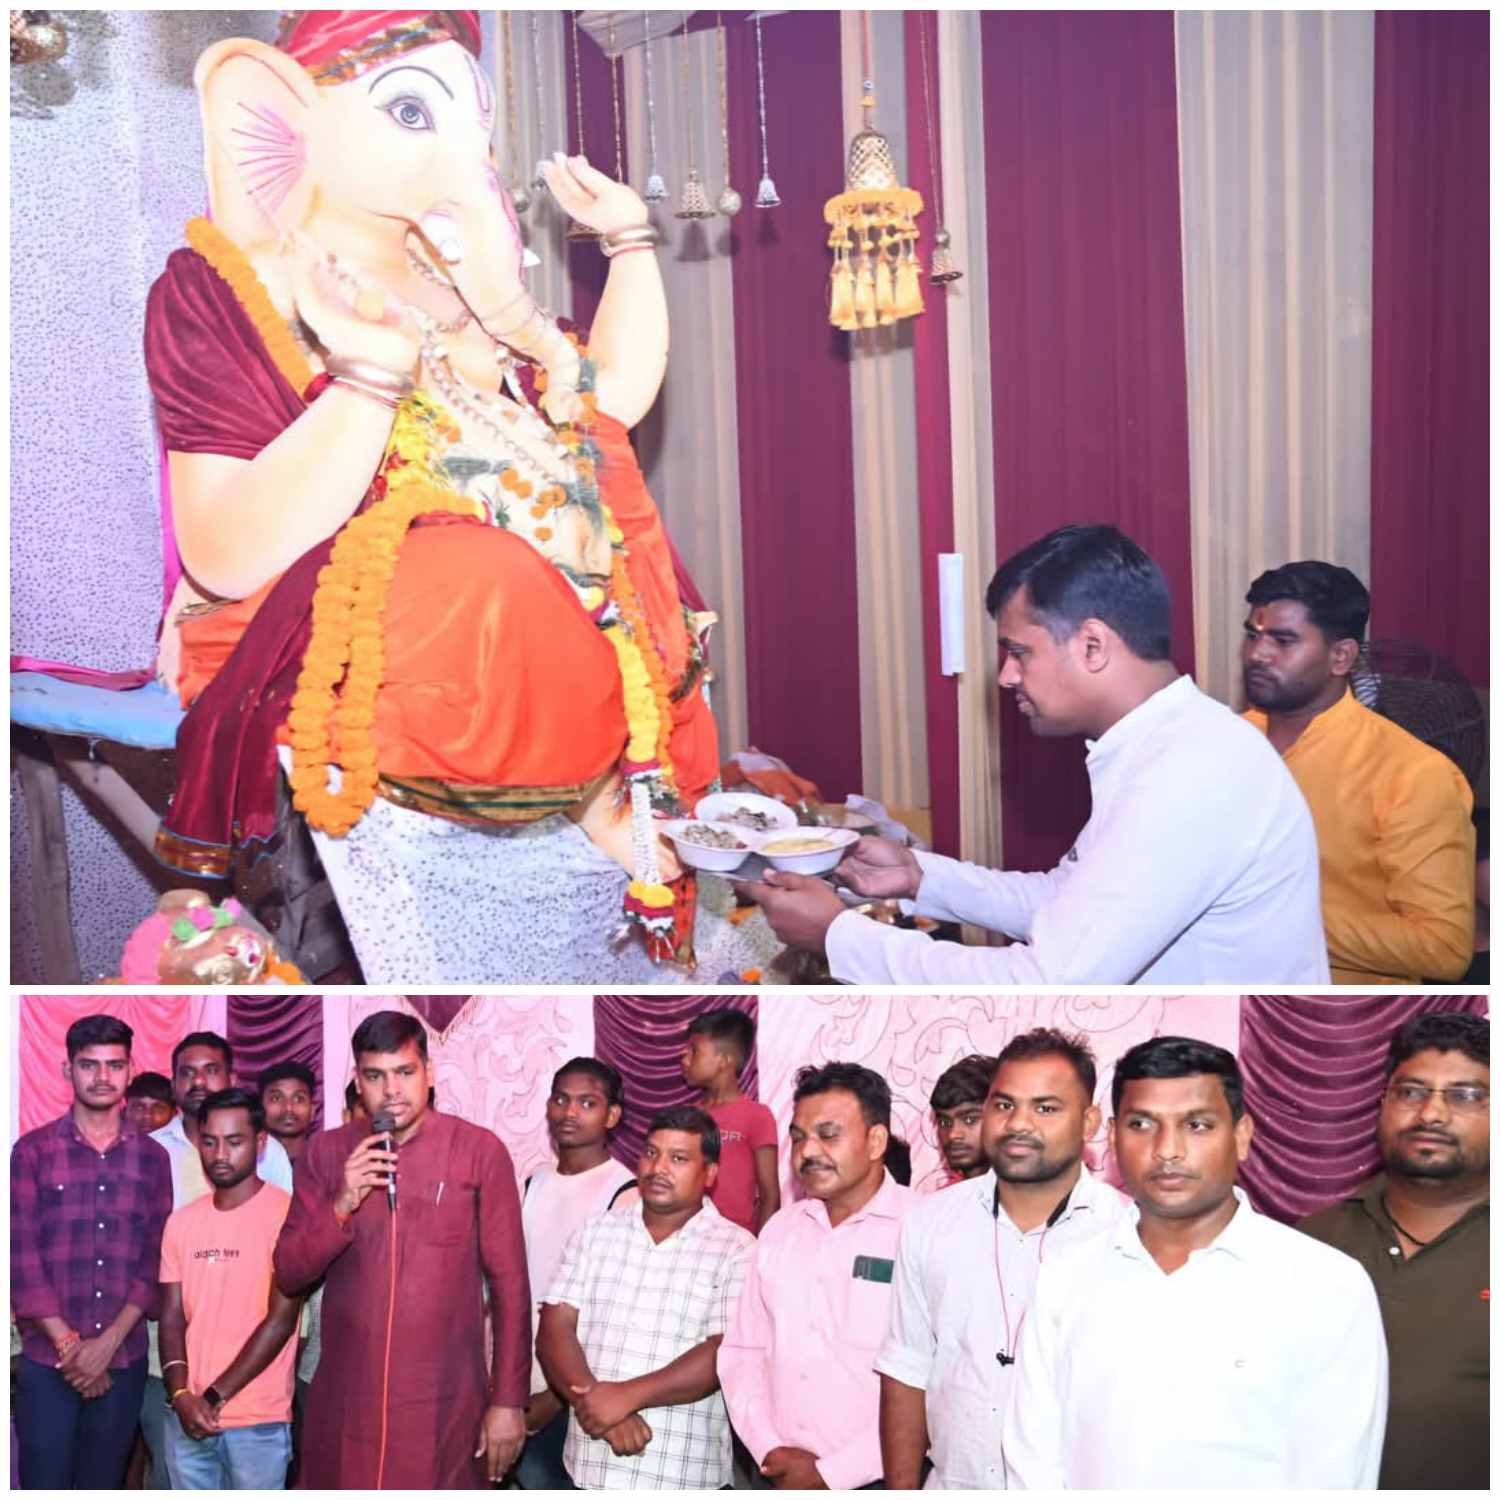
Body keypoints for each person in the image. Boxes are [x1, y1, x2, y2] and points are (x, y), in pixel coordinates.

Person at [748, 525, 1328, 984]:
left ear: (1093, 645)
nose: (1006, 675)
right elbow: (1068, 903)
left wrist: (838, 937)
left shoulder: (1191, 770)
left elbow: (1046, 978)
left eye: (1019, 652)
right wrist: (921, 877)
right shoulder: (1165, 746)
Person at [1003, 1036, 1388, 1489]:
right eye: (1142, 1124)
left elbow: (1336, 1475)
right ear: (1114, 1136)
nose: (1168, 1149)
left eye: (1197, 1125)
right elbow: (1034, 1464)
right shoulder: (1066, 1275)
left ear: (1241, 1136)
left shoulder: (1325, 1284)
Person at [272, 1009, 529, 1487]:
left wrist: (509, 1400)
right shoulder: (327, 1153)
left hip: (444, 1400)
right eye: (375, 1076)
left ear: (429, 1073)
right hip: (349, 1399)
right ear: (358, 1082)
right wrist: (342, 1203)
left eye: (405, 1072)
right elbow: (289, 1272)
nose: (391, 1090)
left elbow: (510, 1286)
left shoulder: (478, 1151)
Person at [876, 1029, 1126, 1489]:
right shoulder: (930, 1222)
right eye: (1004, 1105)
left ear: (1089, 1122)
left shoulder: (1126, 1233)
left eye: (1045, 1108)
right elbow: (905, 1371)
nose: (1018, 1124)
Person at [1241, 561, 1475, 983]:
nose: (1258, 654)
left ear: (1341, 657)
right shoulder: (1227, 742)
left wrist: (1272, 919)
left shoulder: (1413, 773)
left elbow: (1442, 946)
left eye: (1283, 640)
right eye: (1253, 635)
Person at [1299, 1011, 1488, 1490]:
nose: (1431, 1114)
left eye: (1466, 1096)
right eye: (1411, 1092)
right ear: (1382, 1105)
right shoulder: (1311, 1244)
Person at [719, 1063, 918, 1490]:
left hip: (881, 1479)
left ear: (876, 1141)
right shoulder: (779, 1231)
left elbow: (940, 1380)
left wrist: (835, 1473)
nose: (807, 1151)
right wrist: (768, 1448)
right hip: (775, 1474)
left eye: (828, 1135)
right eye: (798, 1137)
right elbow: (743, 1352)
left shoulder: (923, 1230)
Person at [537, 1106, 754, 1490]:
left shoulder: (736, 1248)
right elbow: (555, 1329)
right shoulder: (595, 1232)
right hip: (590, 1466)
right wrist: (600, 1409)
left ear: (710, 1174)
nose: (658, 1168)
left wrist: (625, 1397)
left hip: (682, 1473)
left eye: (679, 1158)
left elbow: (723, 1351)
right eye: (651, 1153)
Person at [11, 1015, 172, 1489]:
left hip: (122, 1358)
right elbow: (21, 1257)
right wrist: (71, 1347)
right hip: (48, 1359)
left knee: (103, 1484)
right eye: (89, 1065)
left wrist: (106, 1346)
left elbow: (154, 1257)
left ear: (129, 1070)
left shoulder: (153, 1158)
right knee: (44, 1483)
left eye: (114, 1065)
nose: (102, 1077)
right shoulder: (32, 1151)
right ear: (68, 1070)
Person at [141, 1031, 294, 1486]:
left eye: (234, 1141)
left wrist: (210, 1398)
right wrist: (181, 1394)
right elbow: (171, 1316)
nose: (220, 1155)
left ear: (260, 1143)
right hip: (186, 1414)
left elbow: (281, 1320)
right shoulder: (181, 1222)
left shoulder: (288, 1216)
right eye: (209, 1142)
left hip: (258, 1418)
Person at [517, 1058, 638, 1490]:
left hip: (578, 1395)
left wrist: (556, 1396)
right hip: (522, 1386)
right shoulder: (533, 1182)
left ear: (612, 1115)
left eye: (587, 1103)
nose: (570, 1112)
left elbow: (615, 1313)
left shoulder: (625, 1192)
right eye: (561, 1099)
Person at [681, 1010, 781, 1233]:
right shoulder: (688, 1117)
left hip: (738, 1238)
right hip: (691, 1238)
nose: (684, 1059)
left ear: (725, 1061)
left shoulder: (757, 1115)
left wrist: (758, 1247)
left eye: (694, 1051)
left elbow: (770, 1196)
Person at [929, 1055, 996, 1181]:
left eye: (970, 1119)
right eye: (944, 1122)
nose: (953, 1135)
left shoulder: (1028, 1190)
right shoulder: (947, 1194)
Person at [257, 1061, 317, 1162]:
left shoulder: (326, 1164)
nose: (288, 1108)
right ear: (260, 1109)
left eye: (299, 1099)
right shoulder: (247, 1166)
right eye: (276, 1098)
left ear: (312, 1111)